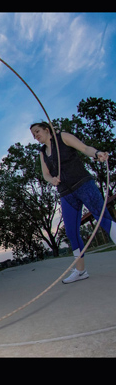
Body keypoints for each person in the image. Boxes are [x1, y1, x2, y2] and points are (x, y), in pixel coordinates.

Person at [30, 121, 116, 284]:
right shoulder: (42, 153)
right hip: (66, 194)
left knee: (104, 220)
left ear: (47, 130)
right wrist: (52, 180)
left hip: (83, 185)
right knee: (71, 232)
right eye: (33, 135)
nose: (36, 136)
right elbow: (45, 174)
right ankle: (81, 271)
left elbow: (84, 148)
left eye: (37, 131)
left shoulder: (62, 137)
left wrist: (97, 153)